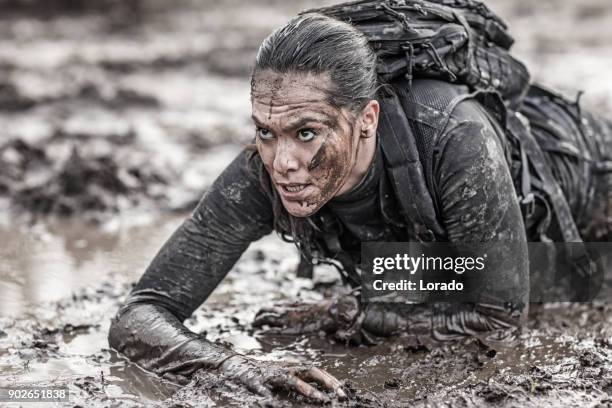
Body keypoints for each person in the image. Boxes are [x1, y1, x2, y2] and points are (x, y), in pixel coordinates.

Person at [108, 10, 612, 403]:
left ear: (366, 118)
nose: (283, 163)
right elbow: (139, 316)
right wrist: (231, 366)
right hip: (480, 258)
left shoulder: (455, 139)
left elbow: (499, 315)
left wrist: (351, 310)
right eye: (266, 131)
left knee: (581, 284)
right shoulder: (263, 171)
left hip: (591, 220)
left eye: (306, 133)